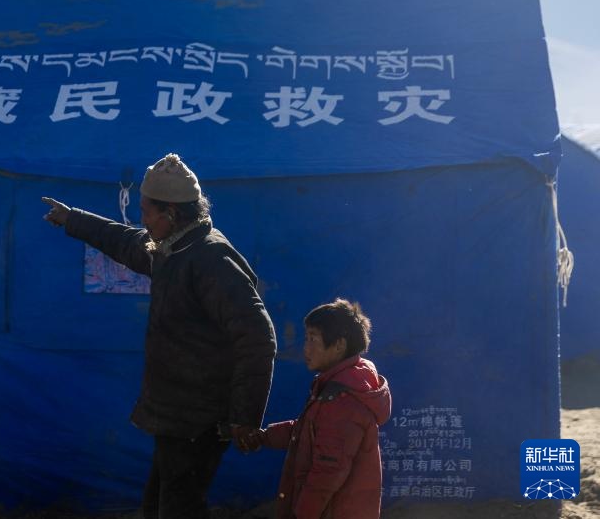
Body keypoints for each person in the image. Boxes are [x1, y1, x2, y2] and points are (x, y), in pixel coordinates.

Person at [42, 153, 277, 519]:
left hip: (198, 419)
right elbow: (125, 242)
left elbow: (258, 338)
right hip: (175, 415)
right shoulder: (174, 248)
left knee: (178, 508)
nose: (143, 220)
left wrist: (245, 418)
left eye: (148, 212)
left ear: (171, 213)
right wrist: (73, 219)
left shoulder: (210, 259)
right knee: (158, 506)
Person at [259, 299, 391, 519]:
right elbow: (309, 431)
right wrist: (263, 437)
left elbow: (327, 472)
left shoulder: (342, 401)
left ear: (339, 345)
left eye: (313, 338)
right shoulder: (343, 385)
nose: (306, 347)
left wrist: (301, 515)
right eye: (306, 338)